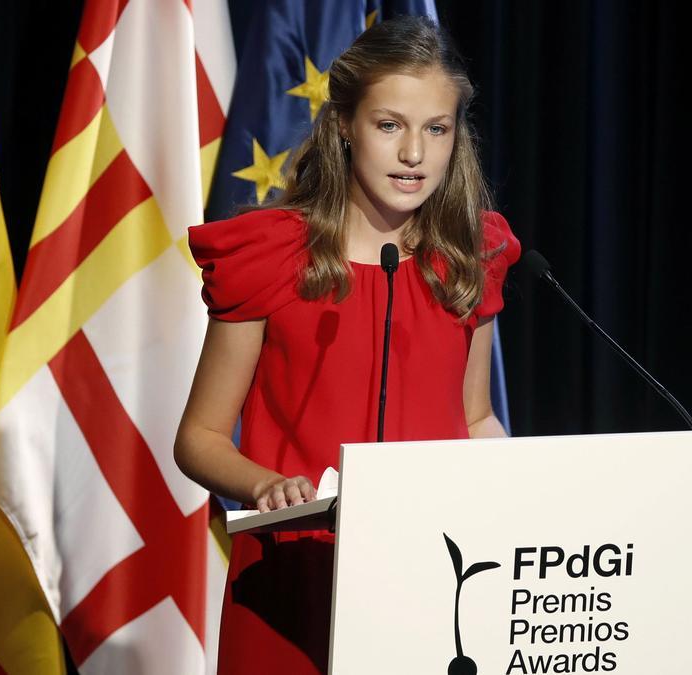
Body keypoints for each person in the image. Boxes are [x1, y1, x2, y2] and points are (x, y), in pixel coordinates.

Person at [175, 16, 520, 675]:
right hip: (295, 575)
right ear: (343, 125)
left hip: (428, 579)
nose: (414, 152)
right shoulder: (273, 256)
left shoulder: (470, 258)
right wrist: (267, 484)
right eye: (389, 125)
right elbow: (199, 436)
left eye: (436, 128)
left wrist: (520, 500)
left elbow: (476, 419)